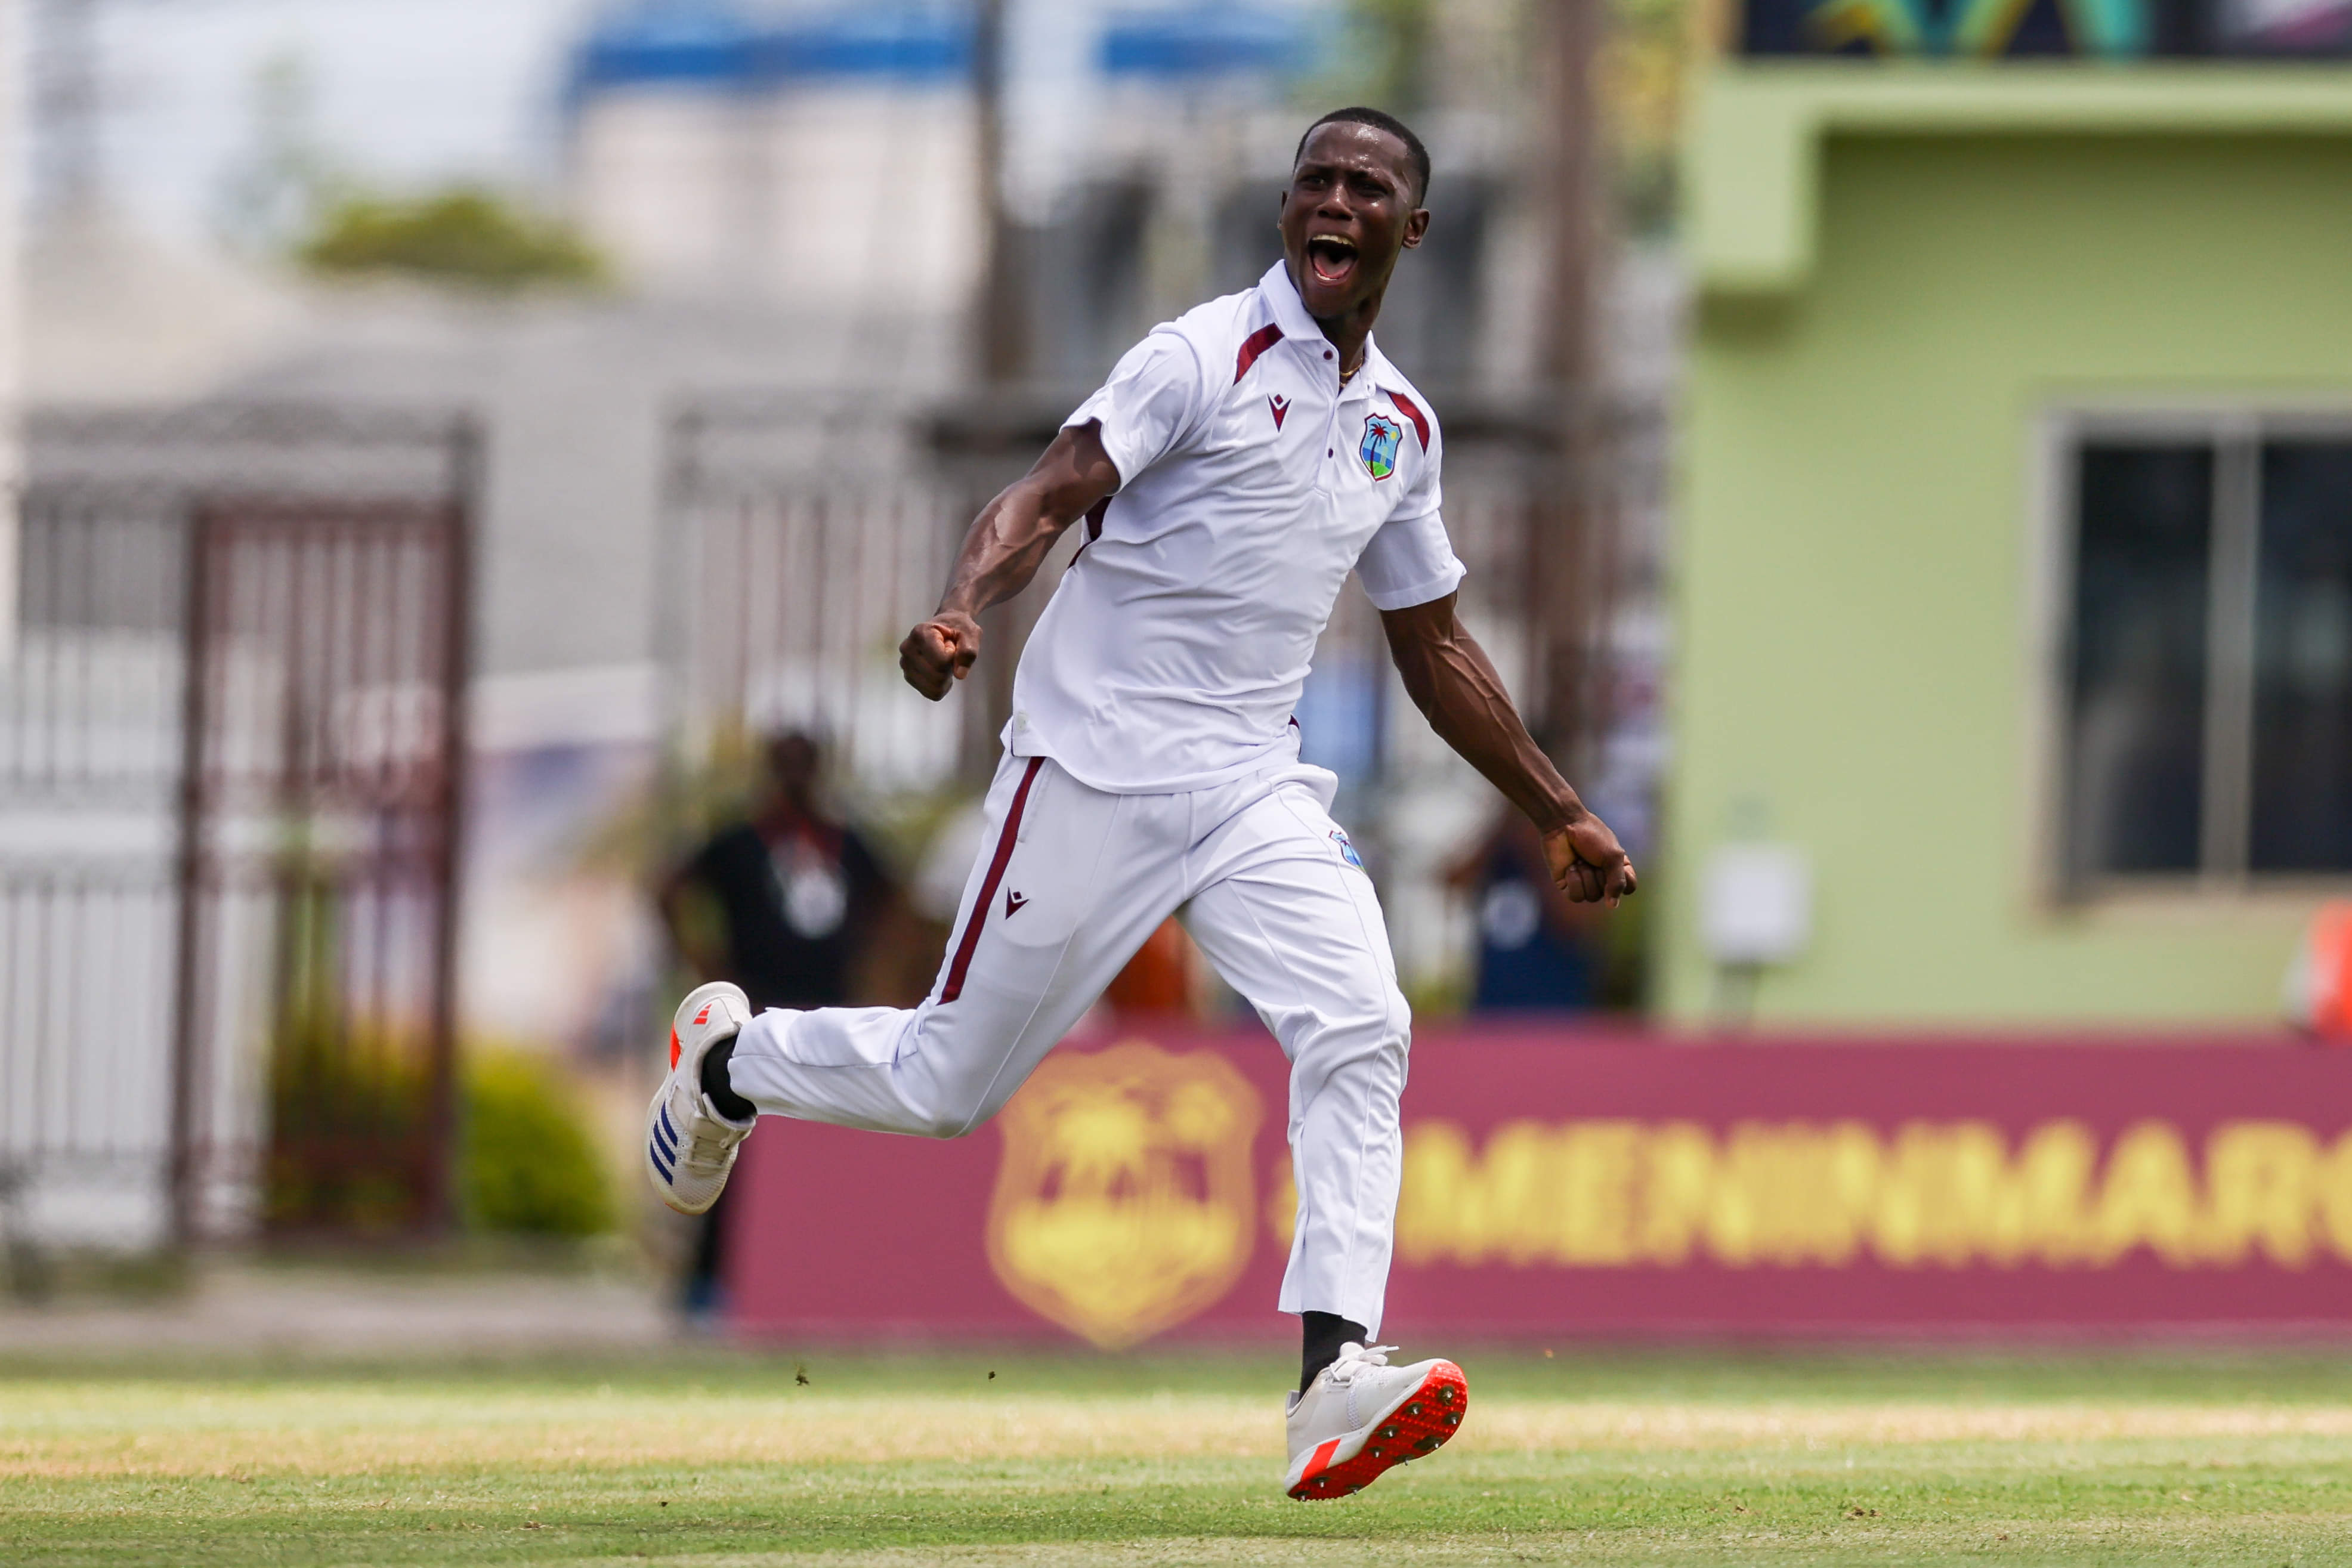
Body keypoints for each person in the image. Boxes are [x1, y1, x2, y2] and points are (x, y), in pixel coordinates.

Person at [642, 107, 1636, 1501]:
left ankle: (1332, 1380)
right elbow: (1047, 492)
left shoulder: (1399, 426)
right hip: (1092, 765)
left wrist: (1556, 808)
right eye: (1314, 182)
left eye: (1366, 188)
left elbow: (1434, 647)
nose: (1335, 203)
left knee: (1362, 1020)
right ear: (1286, 210)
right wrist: (960, 606)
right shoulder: (1199, 356)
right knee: (947, 1086)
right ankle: (729, 1062)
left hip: (1250, 787)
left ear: (1411, 229)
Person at [654, 729, 895, 1319]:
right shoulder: (740, 843)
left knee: (828, 1156)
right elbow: (669, 889)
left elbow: (898, 902)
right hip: (753, 1022)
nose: (795, 778)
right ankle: (708, 1284)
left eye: (804, 766)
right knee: (725, 1144)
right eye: (785, 766)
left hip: (828, 1020)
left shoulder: (844, 844)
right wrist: (706, 965)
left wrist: (876, 974)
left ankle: (819, 1278)